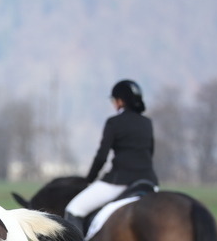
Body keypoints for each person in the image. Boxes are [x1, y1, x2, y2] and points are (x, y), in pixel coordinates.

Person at [64, 79, 159, 231]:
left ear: (120, 101)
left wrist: (89, 179)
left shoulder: (114, 122)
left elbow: (102, 156)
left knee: (73, 210)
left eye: (114, 100)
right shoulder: (147, 122)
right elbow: (150, 152)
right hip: (149, 182)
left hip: (119, 181)